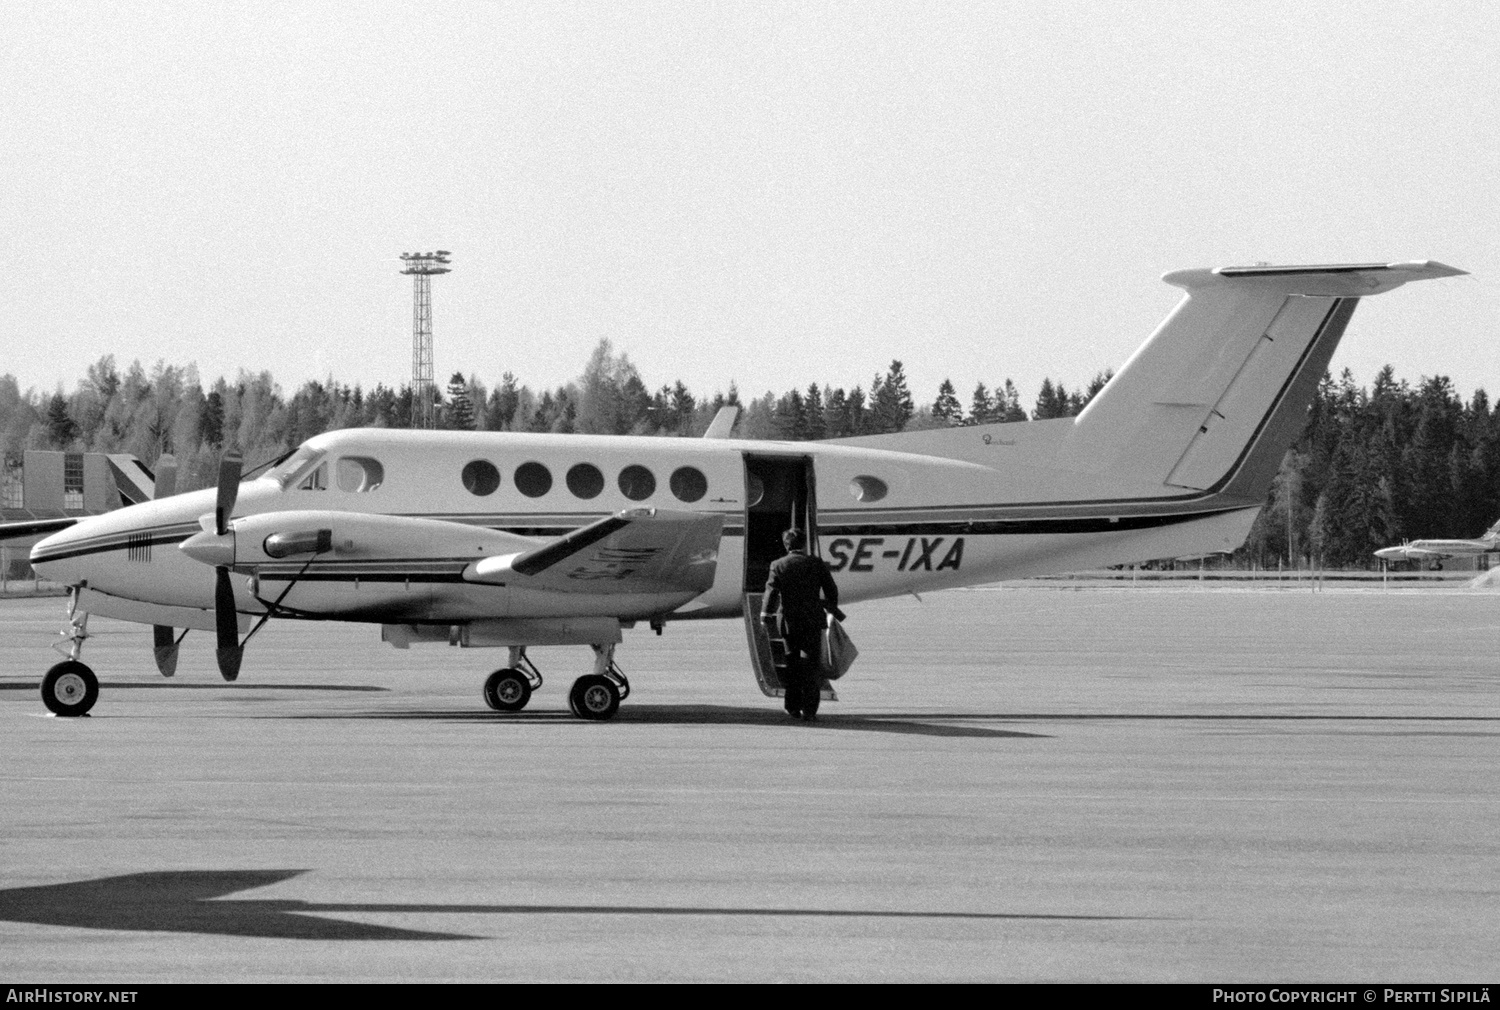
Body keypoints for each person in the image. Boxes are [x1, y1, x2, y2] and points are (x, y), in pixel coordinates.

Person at [761, 528, 844, 721]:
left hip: (789, 621)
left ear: (786, 545)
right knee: (811, 665)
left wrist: (765, 614)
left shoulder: (778, 565)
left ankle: (792, 707)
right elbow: (831, 590)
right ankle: (810, 710)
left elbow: (771, 592)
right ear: (804, 544)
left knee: (792, 663)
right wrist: (830, 608)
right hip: (813, 620)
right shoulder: (816, 563)